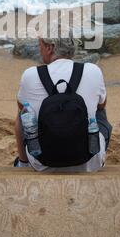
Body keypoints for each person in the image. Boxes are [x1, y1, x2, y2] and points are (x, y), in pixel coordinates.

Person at [14, 35, 112, 172]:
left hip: (42, 163)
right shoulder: (93, 70)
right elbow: (101, 105)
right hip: (89, 162)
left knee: (23, 113)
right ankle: (97, 155)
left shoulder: (30, 75)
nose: (39, 49)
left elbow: (21, 107)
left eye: (40, 45)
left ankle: (23, 163)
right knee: (99, 110)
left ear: (49, 48)